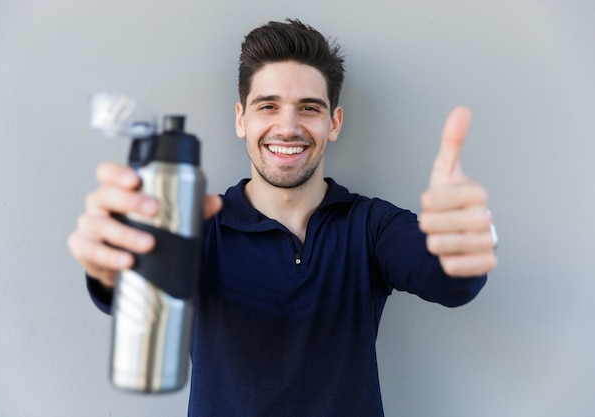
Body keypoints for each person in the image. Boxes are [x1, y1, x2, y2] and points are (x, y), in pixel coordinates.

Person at [68, 19, 497, 417]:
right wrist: (112, 267)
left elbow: (449, 280)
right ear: (241, 119)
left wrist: (470, 241)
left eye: (309, 108)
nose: (288, 127)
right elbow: (133, 293)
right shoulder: (198, 228)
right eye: (268, 106)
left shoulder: (371, 226)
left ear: (334, 122)